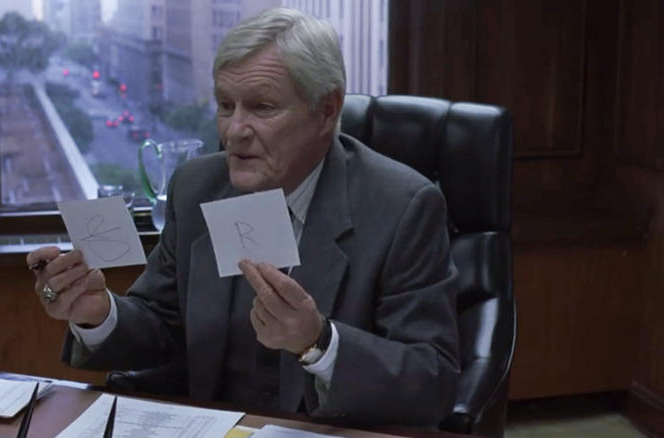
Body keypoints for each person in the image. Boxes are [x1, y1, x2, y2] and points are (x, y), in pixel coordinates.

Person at [27, 7, 460, 428]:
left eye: (262, 108)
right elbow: (161, 325)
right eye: (225, 105)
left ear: (327, 110)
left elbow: (433, 381)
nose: (234, 131)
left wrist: (318, 342)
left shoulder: (403, 206)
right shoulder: (197, 187)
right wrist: (99, 314)